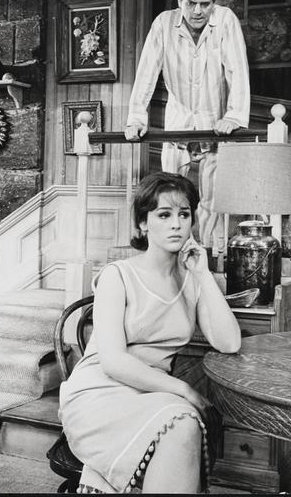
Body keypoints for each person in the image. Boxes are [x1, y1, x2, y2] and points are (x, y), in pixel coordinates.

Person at [59, 171, 241, 494]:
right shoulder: (117, 275)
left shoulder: (192, 277)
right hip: (100, 391)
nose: (176, 225)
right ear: (143, 223)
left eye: (184, 214)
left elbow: (229, 342)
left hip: (152, 393)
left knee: (183, 425)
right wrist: (184, 390)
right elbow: (113, 362)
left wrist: (203, 273)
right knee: (183, 419)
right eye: (164, 215)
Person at [124, 0, 250, 261]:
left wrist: (234, 116)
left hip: (215, 127)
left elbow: (238, 71)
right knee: (170, 196)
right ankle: (169, 257)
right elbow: (146, 74)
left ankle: (205, 258)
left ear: (214, 2)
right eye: (191, 3)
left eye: (205, 4)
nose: (197, 11)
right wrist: (136, 119)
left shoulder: (226, 20)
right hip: (177, 125)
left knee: (212, 200)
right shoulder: (163, 23)